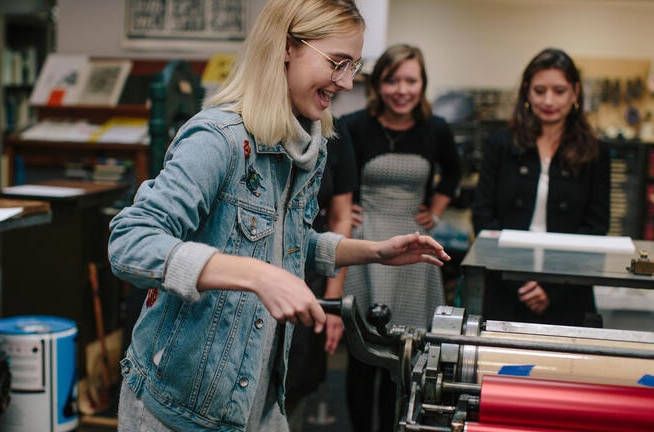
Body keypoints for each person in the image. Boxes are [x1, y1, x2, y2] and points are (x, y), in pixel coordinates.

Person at [108, 1, 450, 431]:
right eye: (337, 63)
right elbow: (130, 241)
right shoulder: (218, 139)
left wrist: (373, 252)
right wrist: (256, 274)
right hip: (177, 407)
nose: (345, 82)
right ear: (288, 46)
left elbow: (284, 240)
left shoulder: (308, 145)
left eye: (354, 66)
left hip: (256, 397)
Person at [341, 44, 462, 432]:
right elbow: (336, 183)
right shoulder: (354, 125)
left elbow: (454, 174)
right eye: (392, 80)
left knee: (408, 358)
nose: (401, 89)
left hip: (413, 249)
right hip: (366, 245)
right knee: (363, 355)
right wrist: (346, 212)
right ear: (378, 84)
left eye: (411, 80)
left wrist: (436, 210)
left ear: (423, 84)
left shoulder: (436, 129)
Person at [471, 48, 610, 326]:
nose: (549, 100)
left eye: (559, 91)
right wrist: (520, 283)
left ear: (575, 93)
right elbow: (484, 217)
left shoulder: (595, 151)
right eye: (540, 90)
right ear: (526, 92)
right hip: (505, 286)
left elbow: (595, 227)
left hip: (569, 291)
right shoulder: (500, 145)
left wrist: (551, 287)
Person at [284, 117, 357, 432]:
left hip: (310, 274)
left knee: (295, 386)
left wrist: (333, 299)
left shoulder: (334, 132)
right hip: (252, 281)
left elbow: (341, 217)